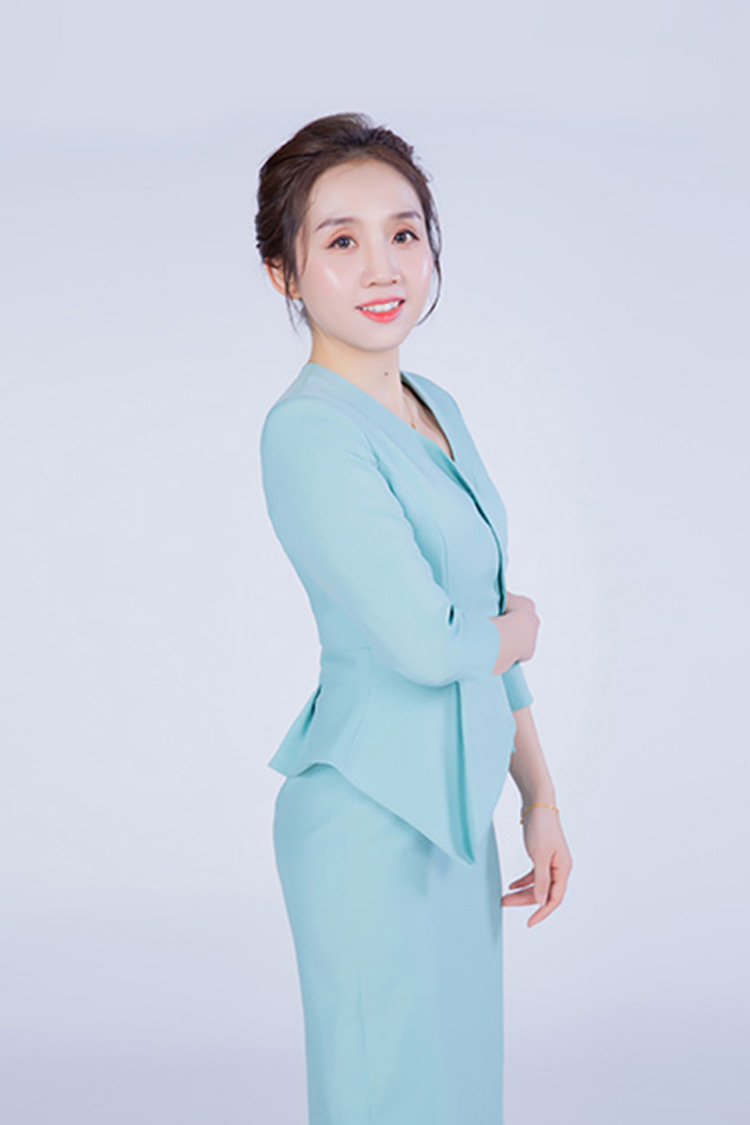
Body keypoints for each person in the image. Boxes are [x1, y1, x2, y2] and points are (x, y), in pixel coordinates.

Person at [256, 111, 573, 1125]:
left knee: (458, 1099)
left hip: (456, 820)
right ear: (286, 274)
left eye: (403, 232)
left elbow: (477, 611)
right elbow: (437, 645)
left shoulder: (436, 405)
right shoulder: (309, 433)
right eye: (341, 241)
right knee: (383, 1098)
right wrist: (523, 628)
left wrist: (539, 796)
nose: (383, 265)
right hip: (368, 822)